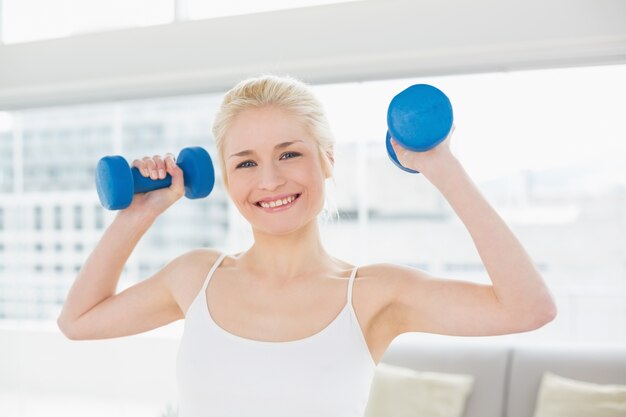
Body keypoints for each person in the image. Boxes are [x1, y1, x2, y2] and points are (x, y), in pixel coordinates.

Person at [57, 75, 557, 417]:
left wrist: (439, 165)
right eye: (246, 163)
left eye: (289, 154)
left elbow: (528, 308)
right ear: (227, 180)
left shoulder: (372, 294)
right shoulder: (195, 277)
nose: (270, 180)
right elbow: (78, 321)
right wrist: (138, 215)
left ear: (327, 161)